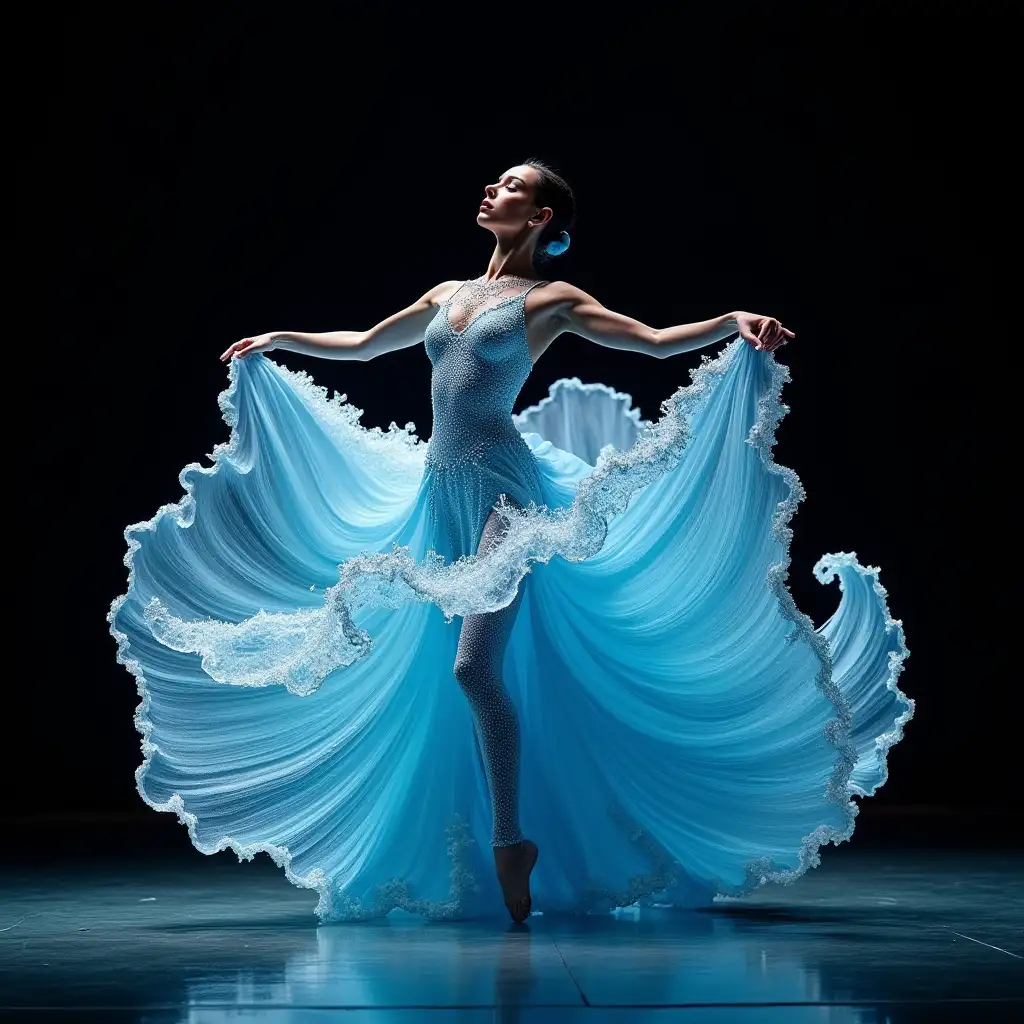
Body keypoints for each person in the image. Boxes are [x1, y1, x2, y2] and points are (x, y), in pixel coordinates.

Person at [110, 160, 912, 926]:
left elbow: (653, 340)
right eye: (495, 183)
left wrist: (733, 321)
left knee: (472, 666)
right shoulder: (448, 293)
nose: (493, 191)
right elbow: (362, 344)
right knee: (428, 669)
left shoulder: (550, 298)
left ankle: (510, 839)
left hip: (505, 498)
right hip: (438, 497)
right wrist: (279, 338)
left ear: (542, 217)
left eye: (514, 188)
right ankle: (494, 834)